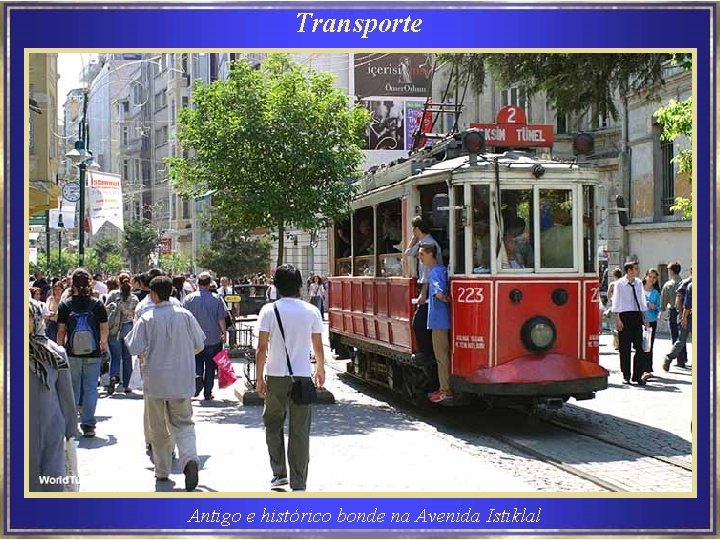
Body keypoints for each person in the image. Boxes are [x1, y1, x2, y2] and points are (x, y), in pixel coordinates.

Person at [125, 276, 205, 491]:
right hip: (181, 379)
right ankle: (189, 458)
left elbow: (134, 347)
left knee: (158, 426)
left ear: (152, 294)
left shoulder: (147, 318)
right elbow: (199, 343)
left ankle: (162, 471)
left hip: (155, 379)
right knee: (184, 422)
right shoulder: (186, 315)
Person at [255, 264, 325, 492]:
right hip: (303, 376)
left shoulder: (268, 310)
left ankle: (278, 473)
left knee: (273, 424)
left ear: (276, 285)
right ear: (299, 285)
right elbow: (318, 346)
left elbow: (261, 348)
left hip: (276, 375)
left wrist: (259, 378)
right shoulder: (311, 311)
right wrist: (321, 369)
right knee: (300, 429)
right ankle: (299, 480)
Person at [29, 301, 79, 491]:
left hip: (50, 428)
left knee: (51, 481)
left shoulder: (54, 353)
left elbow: (66, 395)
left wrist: (70, 431)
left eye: (26, 316)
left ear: (36, 319)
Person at [56, 268, 109, 437]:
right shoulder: (97, 304)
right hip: (93, 352)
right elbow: (104, 327)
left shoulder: (66, 304)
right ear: (89, 283)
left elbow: (61, 331)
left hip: (72, 352)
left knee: (72, 388)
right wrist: (103, 344)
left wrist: (59, 349)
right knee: (91, 388)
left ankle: (71, 424)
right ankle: (88, 424)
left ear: (72, 283)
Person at [183, 272, 228, 401]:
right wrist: (224, 333)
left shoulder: (188, 299)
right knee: (210, 366)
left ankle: (197, 376)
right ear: (209, 284)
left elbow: (184, 319)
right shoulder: (216, 298)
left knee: (197, 361)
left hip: (194, 339)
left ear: (197, 283)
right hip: (213, 338)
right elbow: (221, 319)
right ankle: (208, 393)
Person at [404, 216, 442, 363]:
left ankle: (427, 353)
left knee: (419, 323)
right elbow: (408, 253)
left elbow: (427, 272)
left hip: (430, 287)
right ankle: (427, 352)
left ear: (417, 229)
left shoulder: (427, 245)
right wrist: (414, 239)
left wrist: (422, 294)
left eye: (413, 229)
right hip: (428, 286)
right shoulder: (423, 242)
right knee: (422, 322)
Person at [418, 243, 452, 403]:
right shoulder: (441, 270)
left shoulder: (435, 271)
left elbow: (438, 293)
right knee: (442, 355)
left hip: (438, 320)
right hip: (441, 319)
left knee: (441, 357)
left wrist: (445, 298)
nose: (420, 258)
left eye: (422, 255)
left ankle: (445, 390)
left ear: (431, 254)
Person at [611, 261, 649, 385]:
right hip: (624, 315)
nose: (636, 271)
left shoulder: (638, 283)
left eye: (637, 269)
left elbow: (642, 300)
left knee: (640, 347)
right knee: (624, 348)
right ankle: (626, 375)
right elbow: (616, 301)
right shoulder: (619, 284)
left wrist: (645, 318)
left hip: (637, 315)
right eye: (634, 269)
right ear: (628, 270)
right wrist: (618, 318)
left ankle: (637, 375)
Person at [105, 272, 138, 395]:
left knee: (115, 356)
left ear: (118, 282)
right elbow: (136, 315)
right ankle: (127, 384)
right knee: (127, 357)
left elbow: (106, 309)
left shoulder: (113, 295)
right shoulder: (134, 298)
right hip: (128, 329)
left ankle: (113, 376)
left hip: (114, 329)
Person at [664, 267, 692, 371]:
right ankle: (669, 358)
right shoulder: (686, 284)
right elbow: (679, 301)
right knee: (681, 340)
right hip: (687, 315)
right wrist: (682, 316)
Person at [639, 268, 661, 381]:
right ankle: (639, 367)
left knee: (648, 345)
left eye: (654, 277)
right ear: (646, 276)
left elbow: (659, 308)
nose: (652, 279)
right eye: (650, 276)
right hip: (638, 320)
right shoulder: (639, 289)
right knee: (639, 345)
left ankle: (647, 369)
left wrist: (653, 306)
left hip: (651, 321)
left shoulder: (656, 293)